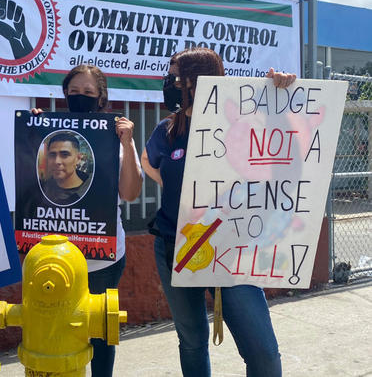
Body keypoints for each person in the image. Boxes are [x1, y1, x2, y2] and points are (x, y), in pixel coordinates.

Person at [141, 47, 296, 377]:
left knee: (263, 353)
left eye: (175, 77)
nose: (168, 83)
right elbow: (148, 164)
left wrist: (280, 98)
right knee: (193, 343)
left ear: (199, 81)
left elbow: (286, 158)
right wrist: (183, 197)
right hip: (176, 247)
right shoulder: (167, 130)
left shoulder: (243, 124)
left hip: (232, 251)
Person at [33, 64, 143, 377]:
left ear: (101, 98)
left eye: (88, 93)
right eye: (74, 92)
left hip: (102, 260)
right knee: (55, 332)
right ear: (65, 95)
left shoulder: (113, 139)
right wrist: (33, 132)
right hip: (55, 260)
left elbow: (131, 192)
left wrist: (128, 143)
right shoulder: (47, 134)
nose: (80, 97)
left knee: (100, 334)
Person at [41, 132, 91, 205]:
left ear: (78, 159)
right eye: (52, 155)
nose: (56, 161)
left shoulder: (93, 192)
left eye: (64, 155)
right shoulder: (41, 190)